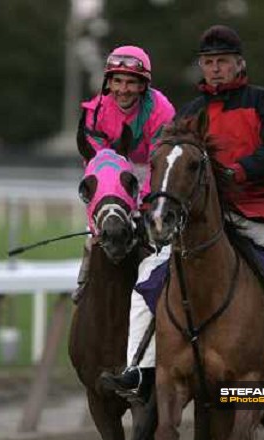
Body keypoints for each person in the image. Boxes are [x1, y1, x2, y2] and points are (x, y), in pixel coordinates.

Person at [105, 25, 264, 395]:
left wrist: (238, 171)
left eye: (222, 61)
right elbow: (169, 162)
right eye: (208, 63)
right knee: (148, 272)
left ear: (239, 64)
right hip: (204, 218)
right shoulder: (191, 113)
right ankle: (139, 367)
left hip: (259, 210)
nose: (215, 69)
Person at [72, 45, 176, 304]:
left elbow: (160, 163)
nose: (123, 89)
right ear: (108, 83)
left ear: (143, 86)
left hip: (154, 168)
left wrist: (144, 204)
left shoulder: (161, 109)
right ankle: (85, 278)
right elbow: (97, 170)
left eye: (131, 82)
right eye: (117, 81)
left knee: (161, 231)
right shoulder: (95, 111)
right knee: (99, 227)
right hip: (113, 174)